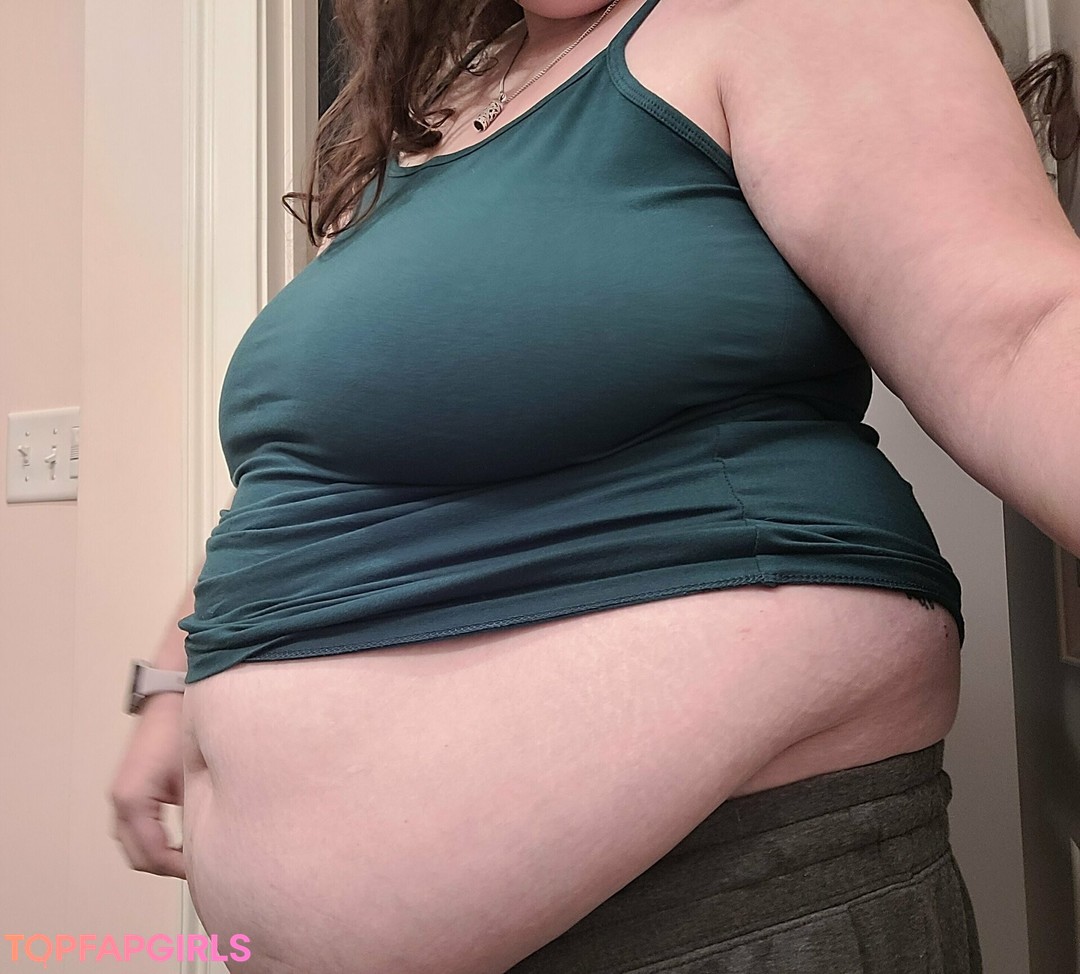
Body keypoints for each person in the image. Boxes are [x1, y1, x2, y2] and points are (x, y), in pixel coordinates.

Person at [110, 0, 1080, 971]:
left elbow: (1024, 330)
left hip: (708, 911)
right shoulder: (445, 98)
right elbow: (316, 457)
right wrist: (175, 669)